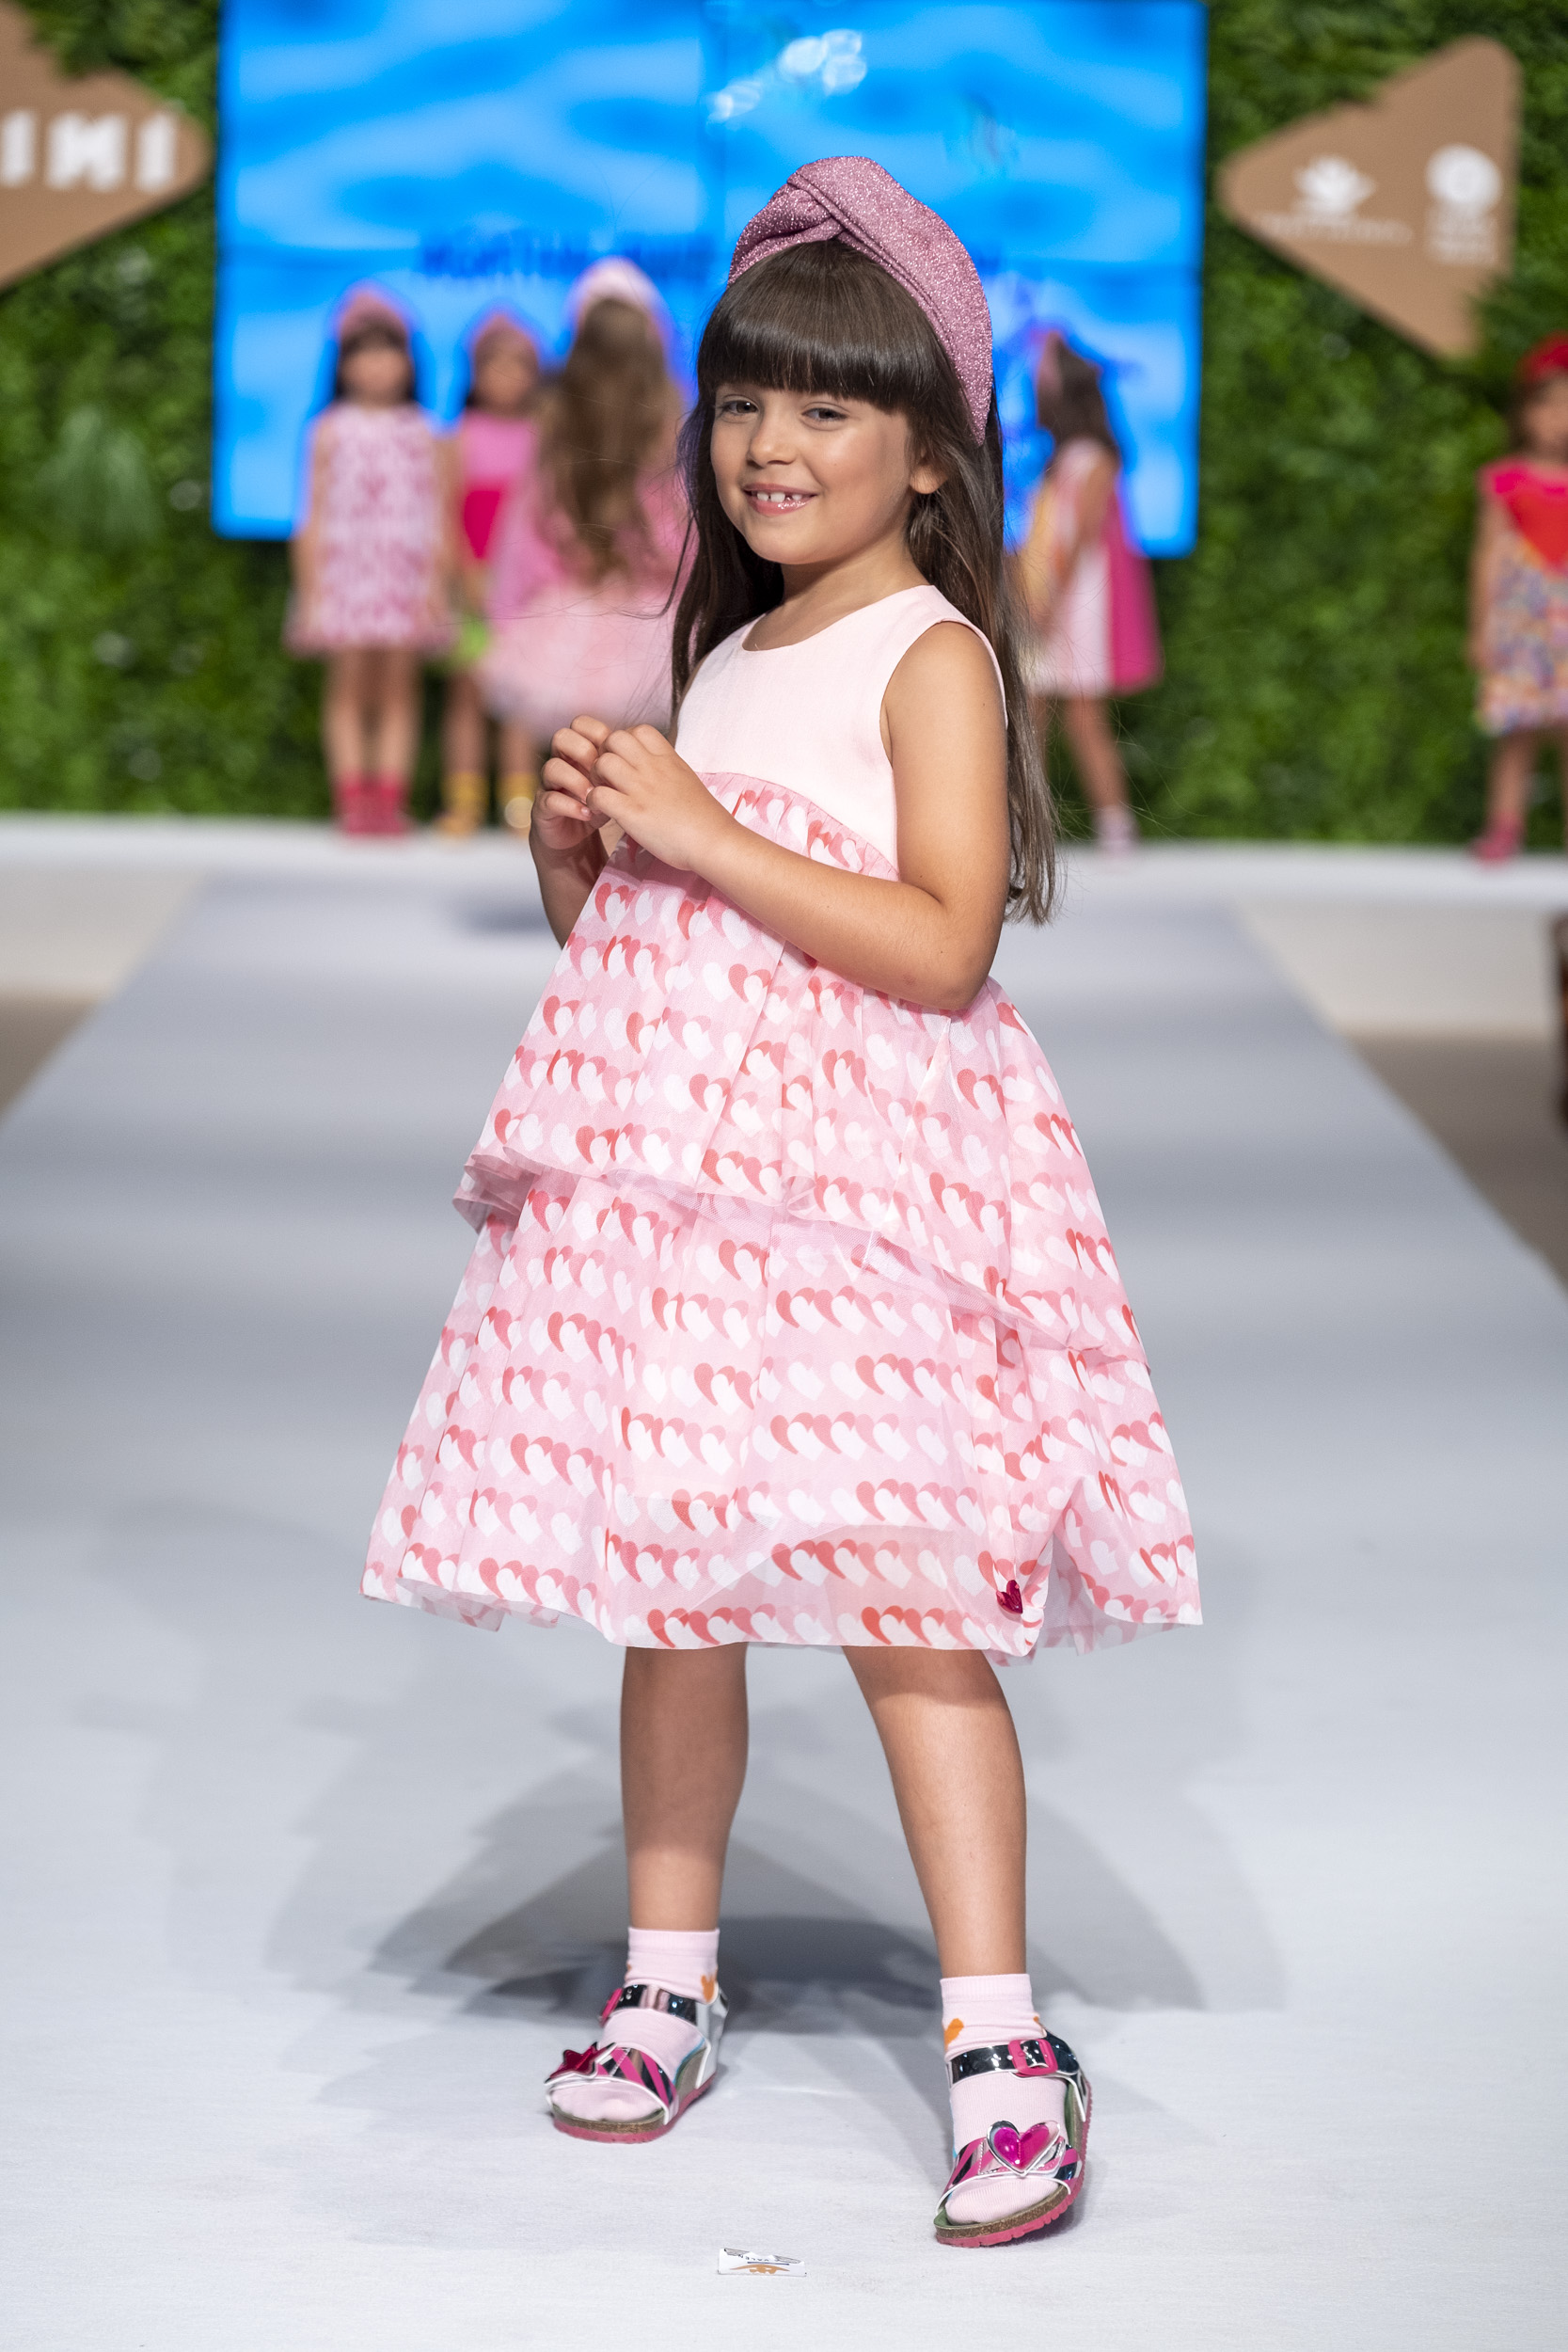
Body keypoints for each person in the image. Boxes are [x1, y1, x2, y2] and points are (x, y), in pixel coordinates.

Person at [361, 159, 1199, 2249]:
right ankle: (667, 1979)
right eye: (742, 401)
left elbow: (940, 941)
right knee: (678, 1591)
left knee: (907, 1604)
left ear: (930, 454)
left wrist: (704, 827)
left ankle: (999, 2040)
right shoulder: (725, 650)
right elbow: (655, 950)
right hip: (696, 1203)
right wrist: (590, 849)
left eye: (827, 406)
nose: (768, 443)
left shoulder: (927, 654)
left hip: (868, 1210)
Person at [476, 261, 686, 835]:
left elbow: (535, 519)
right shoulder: (669, 419)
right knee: (636, 741)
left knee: (575, 739)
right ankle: (624, 838)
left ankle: (560, 828)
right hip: (647, 603)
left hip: (577, 595)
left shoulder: (557, 418)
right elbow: (680, 526)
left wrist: (519, 599)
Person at [287, 289, 451, 835]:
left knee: (400, 686)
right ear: (342, 363)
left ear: (410, 361)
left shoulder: (425, 431)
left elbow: (439, 513)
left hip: (405, 577)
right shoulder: (327, 430)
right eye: (363, 350)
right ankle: (353, 799)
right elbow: (311, 514)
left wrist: (436, 582)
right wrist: (310, 589)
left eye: (389, 349)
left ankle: (389, 798)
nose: (377, 364)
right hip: (346, 575)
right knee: (349, 683)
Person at [1016, 332, 1161, 853]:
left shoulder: (1092, 458)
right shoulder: (1059, 461)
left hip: (1077, 601)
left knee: (1081, 714)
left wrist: (1052, 598)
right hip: (1047, 594)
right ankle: (1023, 824)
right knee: (1031, 712)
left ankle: (1115, 825)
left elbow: (1081, 538)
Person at [436, 310, 545, 837]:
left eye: (517, 365)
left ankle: (519, 801)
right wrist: (465, 576)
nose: (505, 376)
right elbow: (446, 514)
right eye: (493, 365)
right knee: (468, 693)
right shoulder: (459, 438)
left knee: (522, 698)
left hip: (528, 592)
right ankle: (463, 799)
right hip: (474, 586)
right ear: (474, 373)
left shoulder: (545, 437)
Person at [1468, 334, 1568, 861]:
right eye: (1547, 407)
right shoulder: (1506, 480)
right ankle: (1504, 826)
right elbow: (1488, 555)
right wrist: (1481, 627)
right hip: (1522, 623)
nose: (1557, 420)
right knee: (1518, 731)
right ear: (1525, 413)